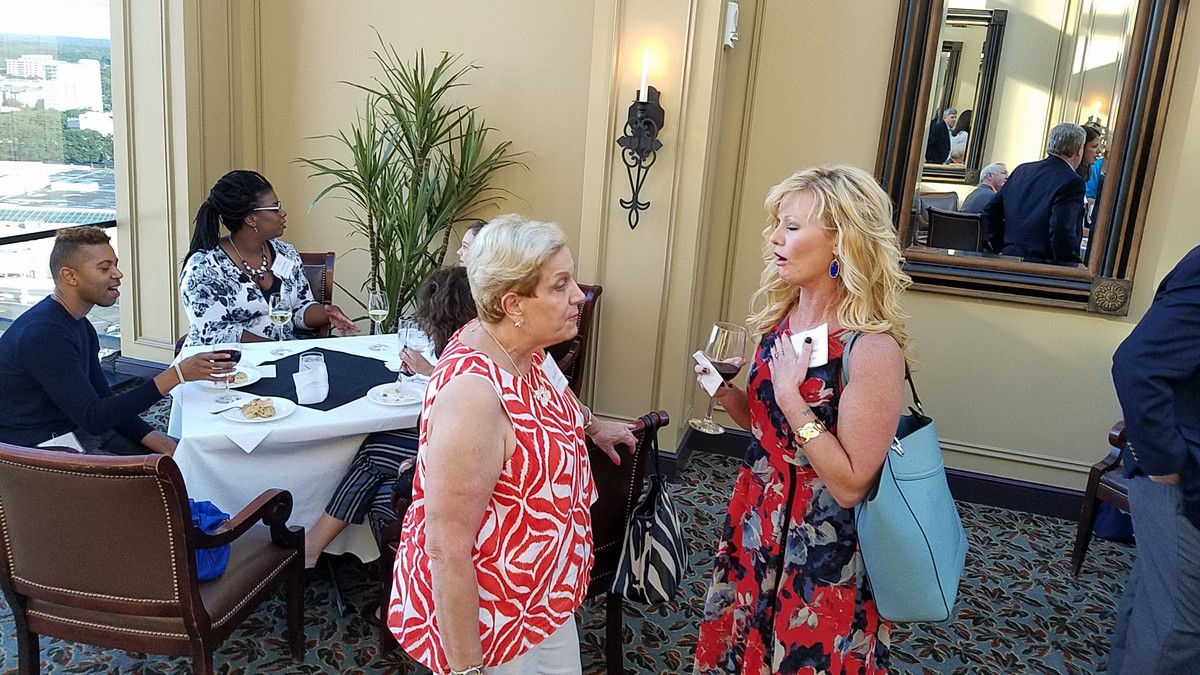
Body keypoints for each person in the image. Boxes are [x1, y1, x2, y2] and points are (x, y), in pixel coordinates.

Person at [389, 215, 637, 674]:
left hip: (543, 597)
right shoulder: (474, 397)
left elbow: (555, 397)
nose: (578, 296)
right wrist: (469, 669)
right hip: (494, 624)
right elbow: (446, 550)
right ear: (513, 304)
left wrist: (592, 425)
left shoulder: (525, 349)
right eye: (560, 285)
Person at [693, 165, 910, 674]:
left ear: (841, 241)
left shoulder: (872, 349)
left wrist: (791, 397)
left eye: (791, 227)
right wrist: (725, 393)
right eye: (777, 224)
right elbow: (768, 434)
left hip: (822, 548)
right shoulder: (780, 319)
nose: (774, 238)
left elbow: (850, 484)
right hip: (757, 518)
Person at [0, 227, 233, 454]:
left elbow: (104, 401)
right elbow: (94, 417)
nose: (118, 274)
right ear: (69, 276)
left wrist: (167, 446)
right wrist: (176, 375)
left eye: (115, 264)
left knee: (197, 454)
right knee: (175, 474)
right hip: (36, 453)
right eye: (105, 268)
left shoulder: (79, 324)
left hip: (82, 432)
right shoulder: (44, 335)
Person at [303, 266, 478, 567]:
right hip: (462, 471)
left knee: (377, 474)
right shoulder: (480, 350)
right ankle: (324, 552)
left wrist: (417, 463)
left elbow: (462, 434)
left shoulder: (466, 364)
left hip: (464, 489)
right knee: (377, 462)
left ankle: (386, 572)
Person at [1108, 246, 1200, 673]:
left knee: (1157, 605)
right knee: (1179, 632)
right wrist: (1167, 469)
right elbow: (1136, 366)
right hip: (1184, 482)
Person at [180, 170, 358, 346]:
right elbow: (215, 333)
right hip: (221, 359)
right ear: (251, 219)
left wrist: (327, 313)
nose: (283, 213)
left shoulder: (286, 253)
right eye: (275, 208)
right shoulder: (204, 267)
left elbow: (299, 308)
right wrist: (276, 350)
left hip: (281, 354)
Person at [981, 123, 1087, 264]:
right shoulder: (1072, 181)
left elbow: (990, 211)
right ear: (1079, 149)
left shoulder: (1022, 170)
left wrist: (1000, 246)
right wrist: (1068, 266)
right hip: (1043, 265)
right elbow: (1061, 230)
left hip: (1008, 258)